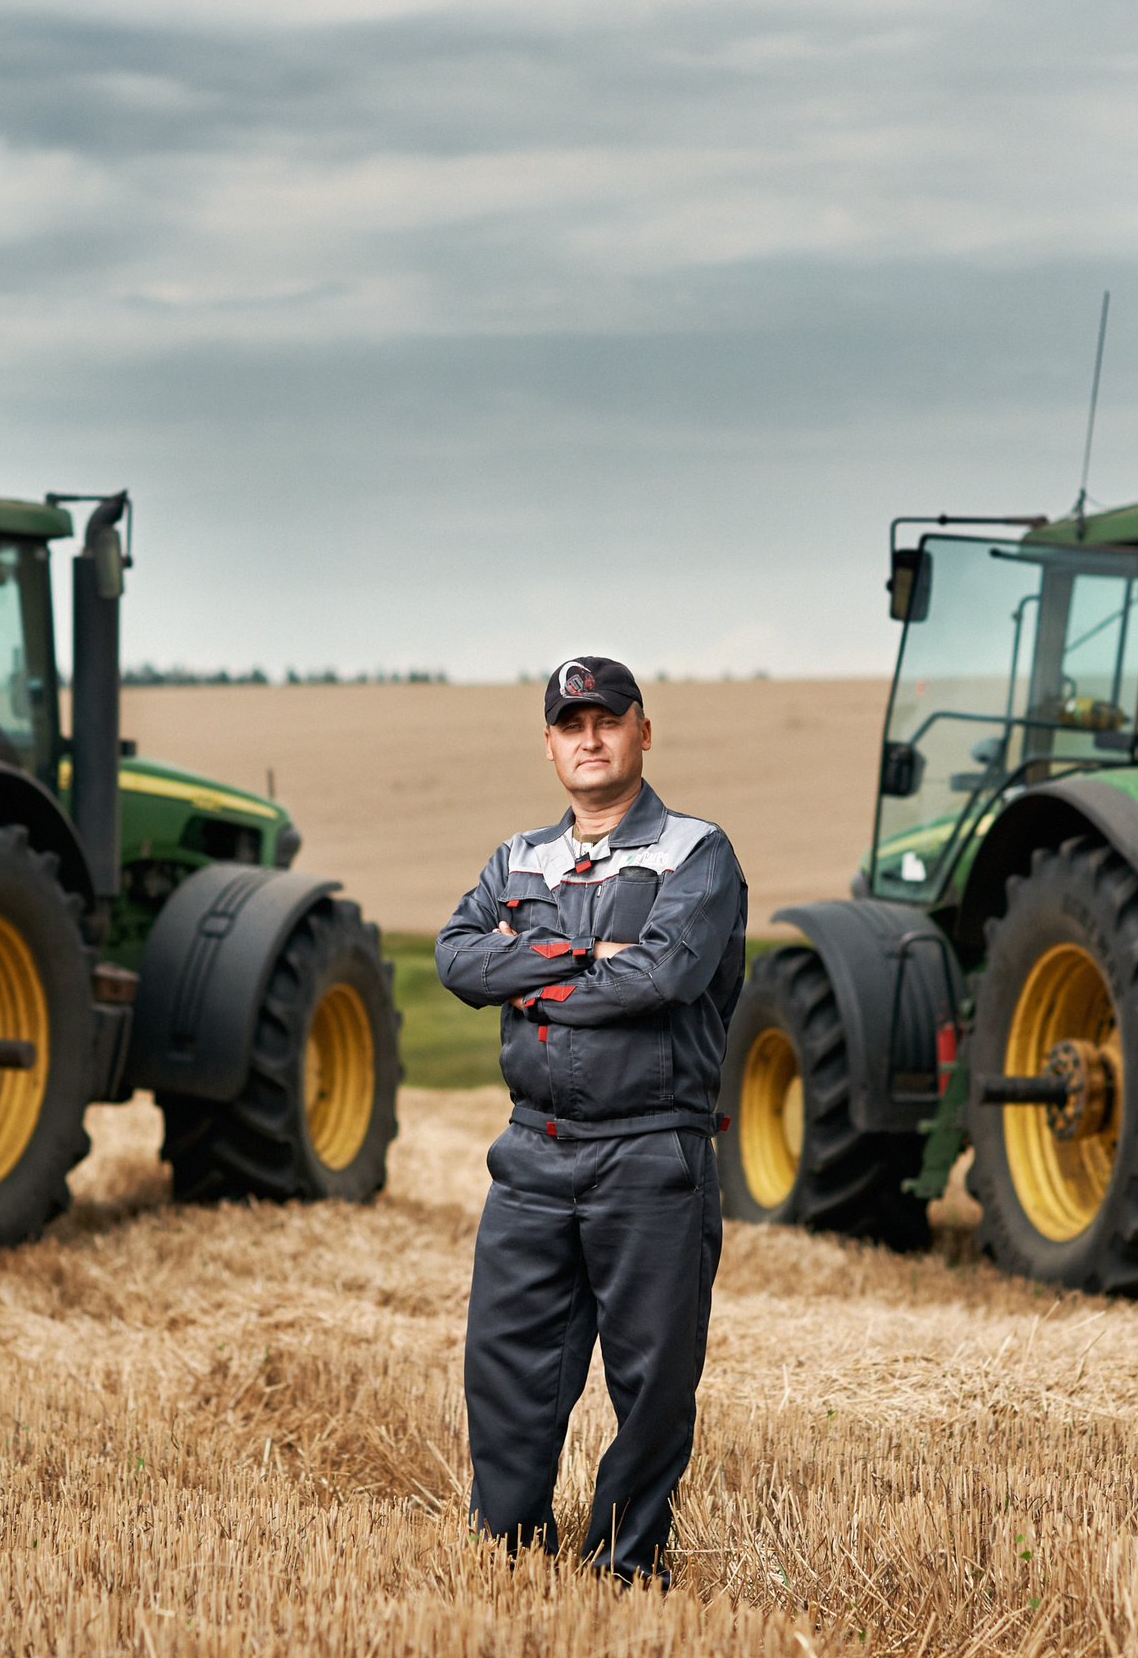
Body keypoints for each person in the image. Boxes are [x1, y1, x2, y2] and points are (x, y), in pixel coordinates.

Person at [436, 655, 748, 1586]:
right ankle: (513, 1559)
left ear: (643, 732)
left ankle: (623, 1570)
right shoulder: (517, 856)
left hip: (651, 1151)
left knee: (652, 1386)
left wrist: (526, 964)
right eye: (571, 725)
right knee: (505, 1374)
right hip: (531, 1151)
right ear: (549, 744)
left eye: (607, 720)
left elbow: (663, 978)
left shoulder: (697, 852)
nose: (590, 737)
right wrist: (585, 954)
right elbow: (458, 958)